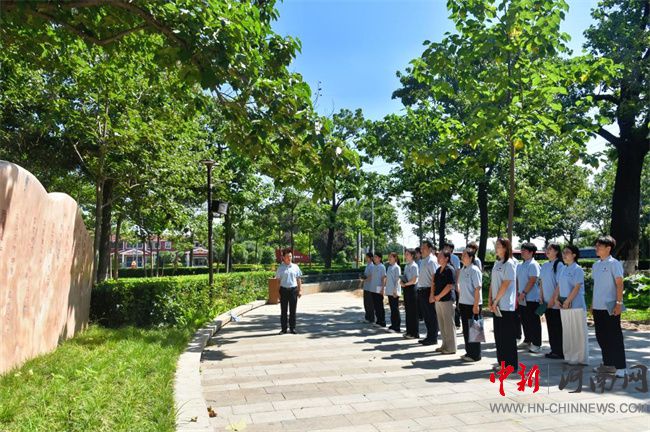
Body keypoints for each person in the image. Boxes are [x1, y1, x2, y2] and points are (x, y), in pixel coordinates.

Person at [591, 236, 627, 378]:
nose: (596, 248)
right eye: (596, 246)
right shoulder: (596, 265)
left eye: (599, 246)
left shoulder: (614, 263)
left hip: (611, 306)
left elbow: (619, 284)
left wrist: (619, 303)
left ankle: (621, 367)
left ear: (608, 248)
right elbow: (597, 286)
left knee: (614, 337)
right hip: (598, 307)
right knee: (601, 336)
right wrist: (592, 304)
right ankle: (608, 365)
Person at [551, 245, 588, 365]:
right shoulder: (563, 269)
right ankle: (570, 356)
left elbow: (577, 287)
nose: (564, 254)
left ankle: (580, 358)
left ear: (574, 255)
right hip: (564, 305)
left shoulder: (577, 269)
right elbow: (559, 285)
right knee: (568, 332)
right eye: (563, 252)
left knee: (578, 332)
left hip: (576, 305)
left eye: (567, 252)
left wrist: (568, 301)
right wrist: (556, 299)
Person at [489, 238, 518, 372]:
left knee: (507, 337)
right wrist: (490, 299)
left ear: (505, 248)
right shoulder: (497, 263)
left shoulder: (509, 264)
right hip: (496, 304)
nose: (496, 248)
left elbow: (505, 284)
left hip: (505, 305)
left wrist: (496, 300)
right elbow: (493, 283)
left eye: (499, 246)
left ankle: (511, 365)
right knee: (499, 336)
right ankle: (502, 362)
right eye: (496, 245)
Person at [539, 243, 564, 359]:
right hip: (546, 302)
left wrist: (553, 299)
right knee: (550, 327)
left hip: (555, 303)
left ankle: (559, 351)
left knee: (557, 327)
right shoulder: (544, 265)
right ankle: (554, 349)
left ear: (556, 252)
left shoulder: (559, 265)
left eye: (550, 249)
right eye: (547, 249)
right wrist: (541, 296)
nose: (547, 251)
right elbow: (541, 282)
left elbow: (560, 284)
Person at [516, 242, 542, 353]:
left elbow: (532, 280)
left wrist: (524, 293)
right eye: (521, 250)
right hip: (522, 298)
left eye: (524, 250)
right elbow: (517, 280)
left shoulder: (533, 264)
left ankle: (536, 343)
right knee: (525, 320)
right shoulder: (520, 265)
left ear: (531, 252)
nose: (522, 252)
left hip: (532, 298)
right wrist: (518, 293)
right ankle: (527, 340)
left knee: (533, 321)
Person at [458, 248, 483, 362]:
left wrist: (476, 305)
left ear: (471, 257)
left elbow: (477, 288)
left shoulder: (474, 270)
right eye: (462, 255)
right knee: (466, 330)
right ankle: (469, 352)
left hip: (473, 304)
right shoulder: (463, 269)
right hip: (464, 303)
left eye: (464, 255)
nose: (462, 257)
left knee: (475, 330)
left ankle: (476, 355)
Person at [432, 250, 457, 354]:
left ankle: (451, 348)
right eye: (438, 256)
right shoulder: (438, 270)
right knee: (442, 324)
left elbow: (449, 286)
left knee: (448, 324)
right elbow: (434, 283)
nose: (438, 258)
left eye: (440, 256)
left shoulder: (449, 269)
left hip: (447, 300)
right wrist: (434, 296)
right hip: (438, 300)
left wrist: (439, 296)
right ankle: (445, 345)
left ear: (447, 258)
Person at [275, 249, 303, 334]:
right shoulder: (280, 268)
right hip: (283, 290)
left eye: (290, 256)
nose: (289, 258)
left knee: (293, 311)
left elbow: (298, 279)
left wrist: (300, 290)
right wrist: (277, 293)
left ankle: (292, 328)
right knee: (284, 311)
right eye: (287, 256)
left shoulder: (295, 267)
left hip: (293, 290)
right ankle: (284, 329)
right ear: (283, 257)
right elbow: (278, 281)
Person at [417, 240, 439, 345]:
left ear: (430, 249)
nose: (422, 250)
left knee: (431, 315)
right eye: (421, 248)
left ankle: (433, 338)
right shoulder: (423, 260)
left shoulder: (432, 261)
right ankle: (429, 336)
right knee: (426, 315)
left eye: (424, 248)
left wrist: (432, 294)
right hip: (422, 290)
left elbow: (434, 278)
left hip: (428, 290)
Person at [400, 249, 419, 339]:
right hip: (406, 288)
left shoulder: (414, 266)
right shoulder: (407, 266)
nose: (405, 256)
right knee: (408, 311)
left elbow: (414, 280)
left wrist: (405, 284)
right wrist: (401, 282)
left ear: (412, 256)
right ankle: (409, 331)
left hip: (412, 289)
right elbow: (405, 277)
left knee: (413, 312)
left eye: (407, 254)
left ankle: (414, 333)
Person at [442, 241, 462, 329]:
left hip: (453, 283)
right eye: (444, 247)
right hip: (446, 283)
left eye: (447, 247)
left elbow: (457, 271)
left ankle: (457, 322)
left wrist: (457, 283)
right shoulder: (443, 257)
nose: (445, 249)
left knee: (455, 303)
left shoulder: (455, 258)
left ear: (451, 249)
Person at [386, 252, 402, 333]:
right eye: (389, 257)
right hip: (389, 291)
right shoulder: (389, 267)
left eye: (391, 257)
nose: (389, 258)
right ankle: (393, 324)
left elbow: (397, 279)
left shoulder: (397, 267)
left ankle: (397, 327)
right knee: (392, 309)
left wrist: (395, 290)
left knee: (395, 309)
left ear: (395, 258)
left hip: (394, 291)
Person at [371, 253, 387, 327]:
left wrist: (383, 288)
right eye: (374, 257)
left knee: (379, 306)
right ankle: (378, 321)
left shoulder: (382, 266)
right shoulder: (374, 266)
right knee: (376, 306)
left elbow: (384, 278)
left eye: (376, 257)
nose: (374, 258)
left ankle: (382, 322)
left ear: (380, 258)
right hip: (373, 289)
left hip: (379, 289)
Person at [361, 253, 375, 323]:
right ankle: (367, 317)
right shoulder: (367, 265)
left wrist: (365, 279)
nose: (365, 258)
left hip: (370, 288)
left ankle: (371, 318)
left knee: (370, 304)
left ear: (371, 258)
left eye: (367, 257)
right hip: (366, 287)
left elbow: (372, 276)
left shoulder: (372, 266)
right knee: (366, 303)